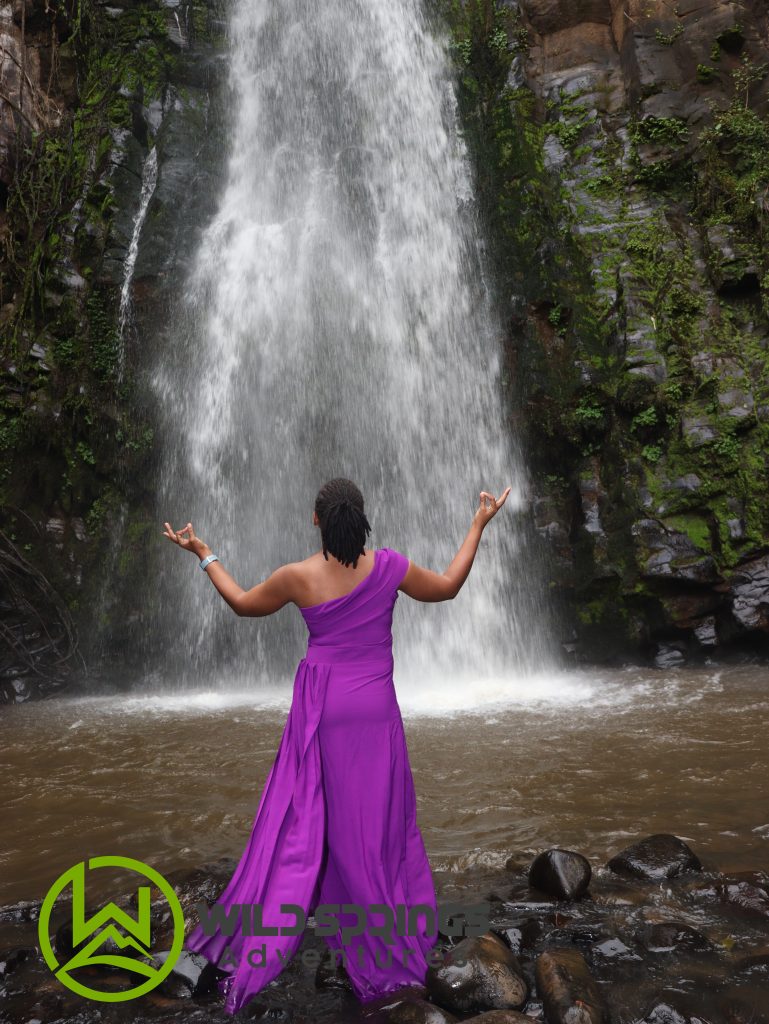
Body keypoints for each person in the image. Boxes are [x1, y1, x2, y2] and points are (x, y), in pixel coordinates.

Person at [162, 477, 511, 1014]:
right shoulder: (390, 566)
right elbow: (446, 586)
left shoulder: (298, 577)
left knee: (307, 823)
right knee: (376, 824)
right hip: (375, 712)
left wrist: (205, 554)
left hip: (325, 713)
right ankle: (384, 936)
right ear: (363, 519)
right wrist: (477, 525)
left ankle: (272, 930)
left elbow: (242, 605)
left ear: (316, 519)